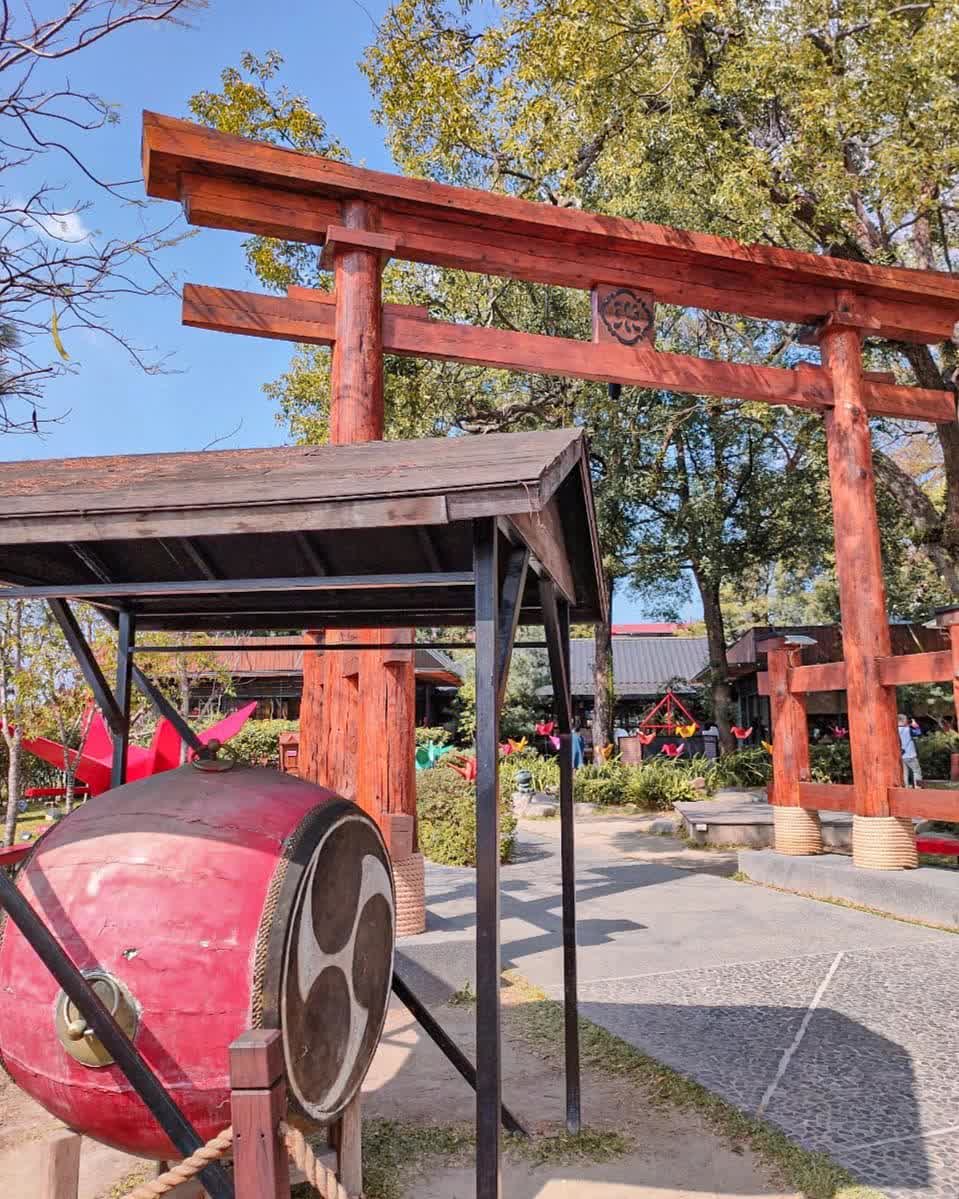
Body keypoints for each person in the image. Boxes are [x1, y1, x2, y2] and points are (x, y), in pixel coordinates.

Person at [898, 713, 922, 788]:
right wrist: (915, 725)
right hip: (910, 755)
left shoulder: (895, 729)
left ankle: (906, 788)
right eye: (906, 719)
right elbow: (918, 732)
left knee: (905, 773)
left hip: (901, 755)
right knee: (916, 771)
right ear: (903, 720)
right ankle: (918, 788)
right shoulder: (908, 730)